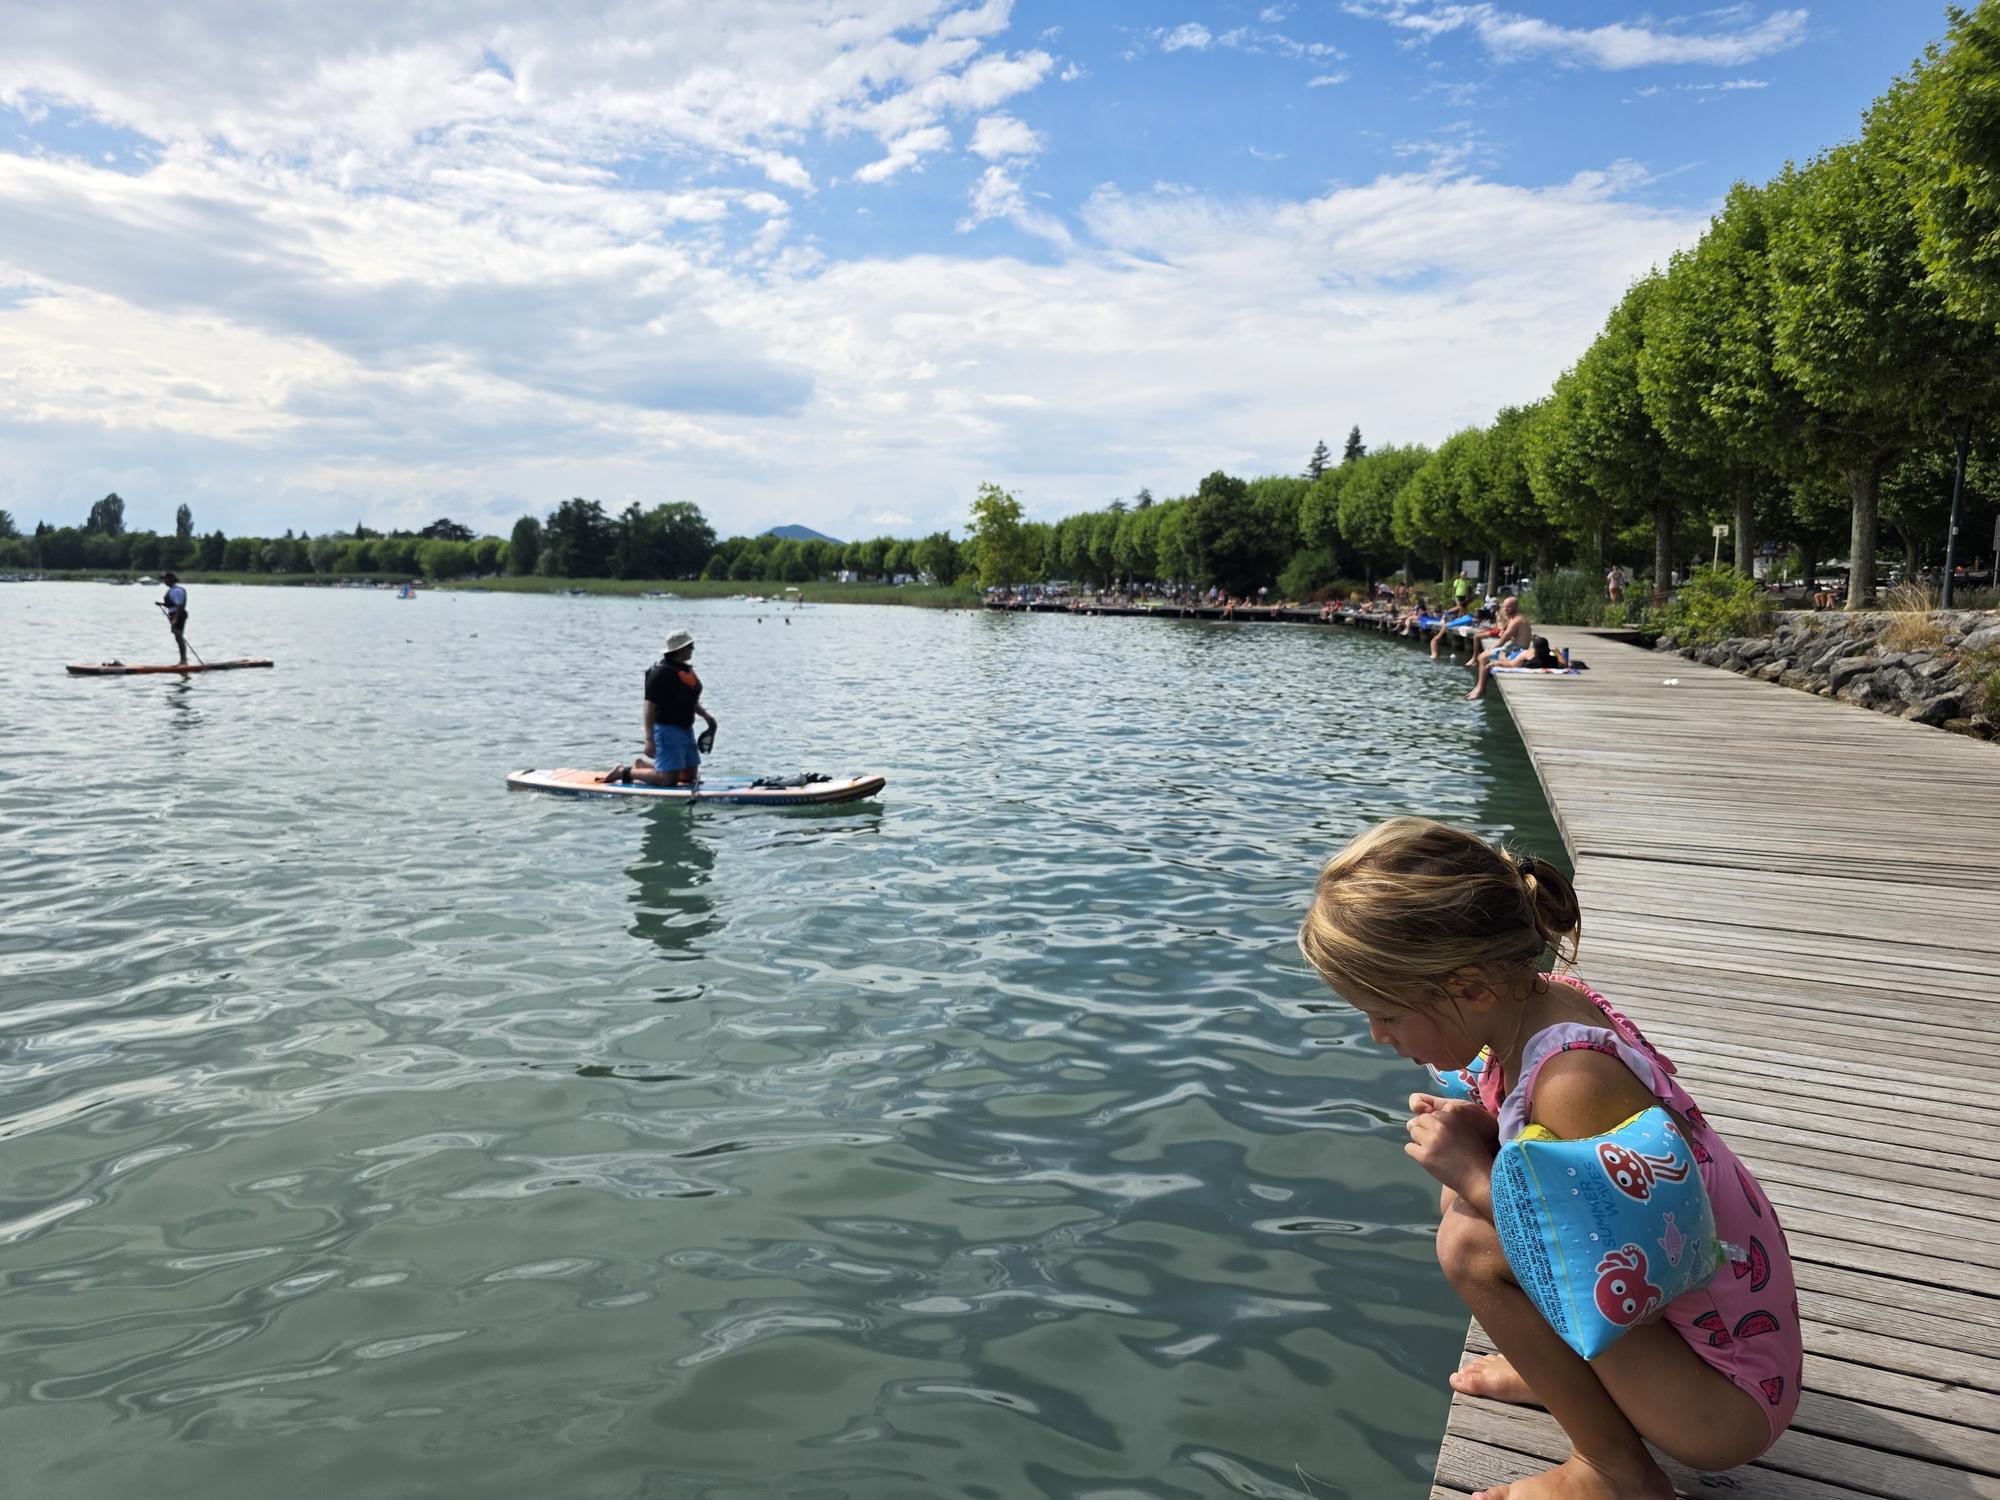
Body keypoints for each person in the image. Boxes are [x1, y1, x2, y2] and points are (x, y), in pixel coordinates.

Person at [1298, 819, 1800, 1500]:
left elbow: (1611, 1271)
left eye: (1386, 1014)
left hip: (1723, 1402)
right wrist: (1483, 1133)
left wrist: (1474, 1174)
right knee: (1475, 1188)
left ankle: (1613, 1471)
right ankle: (1560, 1375)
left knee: (1468, 1243)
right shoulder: (1548, 1005)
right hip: (1700, 1344)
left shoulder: (1573, 1083)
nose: (1377, 1036)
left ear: (1471, 988)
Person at [602, 628, 716, 787]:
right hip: (666, 730)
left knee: (688, 776)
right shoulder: (660, 673)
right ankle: (623, 772)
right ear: (679, 650)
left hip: (685, 729)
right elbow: (649, 706)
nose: (693, 648)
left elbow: (690, 700)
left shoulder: (685, 669)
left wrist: (707, 717)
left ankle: (643, 766)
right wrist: (649, 739)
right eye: (690, 646)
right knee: (668, 781)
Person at [1466, 631, 1568, 701]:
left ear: (1534, 649)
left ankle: (1480, 688)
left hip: (1525, 669)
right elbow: (1564, 665)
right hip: (1541, 674)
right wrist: (1557, 651)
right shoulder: (1552, 659)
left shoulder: (1527, 654)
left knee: (1491, 664)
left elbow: (1511, 665)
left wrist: (1502, 658)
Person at [158, 572, 189, 665]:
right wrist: (162, 604)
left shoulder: (177, 590)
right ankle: (183, 660)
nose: (164, 581)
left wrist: (175, 619)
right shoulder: (172, 590)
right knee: (178, 637)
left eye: (165, 579)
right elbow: (172, 604)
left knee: (179, 637)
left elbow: (179, 606)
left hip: (178, 615)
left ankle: (183, 661)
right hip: (174, 615)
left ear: (170, 580)